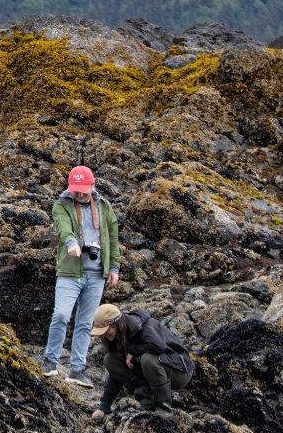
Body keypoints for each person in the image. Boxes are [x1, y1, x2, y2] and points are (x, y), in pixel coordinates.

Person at [42, 165, 121, 388]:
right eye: (76, 189)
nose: (80, 193)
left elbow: (113, 239)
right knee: (61, 315)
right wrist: (71, 243)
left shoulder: (104, 206)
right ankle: (50, 361)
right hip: (70, 273)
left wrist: (113, 268)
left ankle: (77, 369)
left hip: (97, 274)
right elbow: (63, 226)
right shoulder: (61, 204)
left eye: (83, 189)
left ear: (92, 185)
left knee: (85, 323)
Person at [89, 303, 194, 418]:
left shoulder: (142, 326)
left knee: (148, 359)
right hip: (156, 370)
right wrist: (104, 405)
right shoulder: (116, 337)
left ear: (115, 324)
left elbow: (159, 346)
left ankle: (163, 411)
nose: (104, 335)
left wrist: (133, 352)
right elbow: (116, 374)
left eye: (105, 331)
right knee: (110, 360)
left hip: (180, 371)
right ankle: (147, 403)